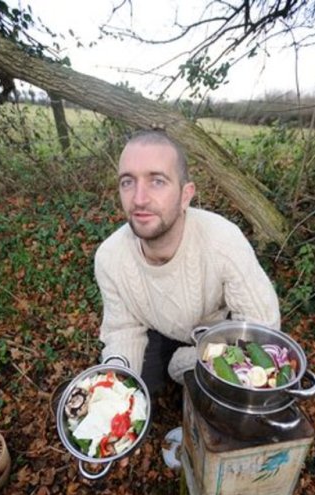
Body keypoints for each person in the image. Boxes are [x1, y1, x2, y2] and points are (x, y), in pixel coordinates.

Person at [94, 129, 280, 396]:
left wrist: (199, 359)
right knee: (141, 390)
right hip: (158, 330)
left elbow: (262, 325)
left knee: (215, 387)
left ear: (185, 195)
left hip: (219, 333)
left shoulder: (223, 240)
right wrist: (113, 388)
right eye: (128, 182)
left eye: (157, 181)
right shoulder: (110, 257)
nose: (139, 199)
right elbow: (123, 330)